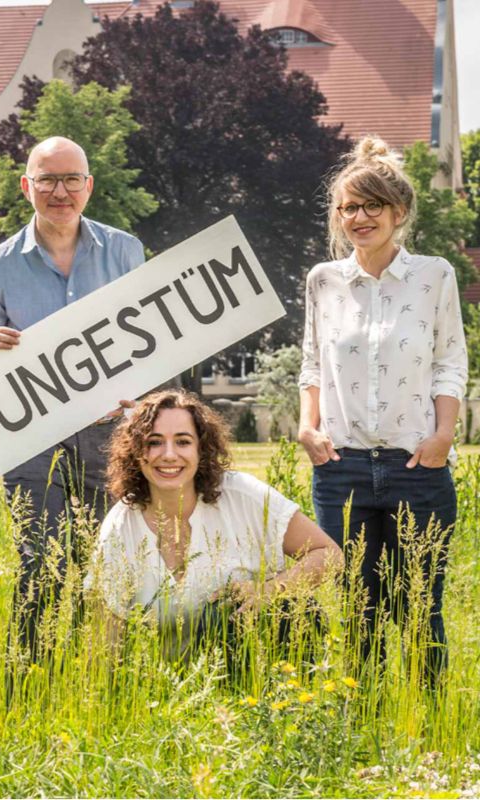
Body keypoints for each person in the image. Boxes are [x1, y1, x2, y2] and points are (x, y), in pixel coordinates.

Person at [0, 136, 145, 662]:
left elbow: (153, 342)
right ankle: (29, 683)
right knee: (40, 565)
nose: (61, 191)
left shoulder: (125, 250)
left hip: (112, 438)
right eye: (48, 180)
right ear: (26, 185)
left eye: (71, 179)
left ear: (88, 186)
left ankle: (103, 678)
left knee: (112, 561)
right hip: (33, 441)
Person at [298, 136, 468, 681]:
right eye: (349, 207)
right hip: (340, 467)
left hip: (416, 466)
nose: (360, 217)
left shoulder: (434, 274)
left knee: (419, 611)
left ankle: (428, 728)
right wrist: (307, 428)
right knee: (359, 612)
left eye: (372, 206)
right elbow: (312, 367)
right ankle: (365, 722)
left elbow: (449, 362)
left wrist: (443, 436)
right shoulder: (323, 281)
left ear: (398, 212)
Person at [86, 390, 341, 664]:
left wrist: (268, 591)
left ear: (201, 449)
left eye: (183, 442)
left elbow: (328, 553)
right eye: (154, 442)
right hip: (177, 681)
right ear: (136, 453)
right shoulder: (121, 524)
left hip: (262, 659)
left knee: (294, 610)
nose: (169, 455)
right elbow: (105, 640)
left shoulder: (242, 495)